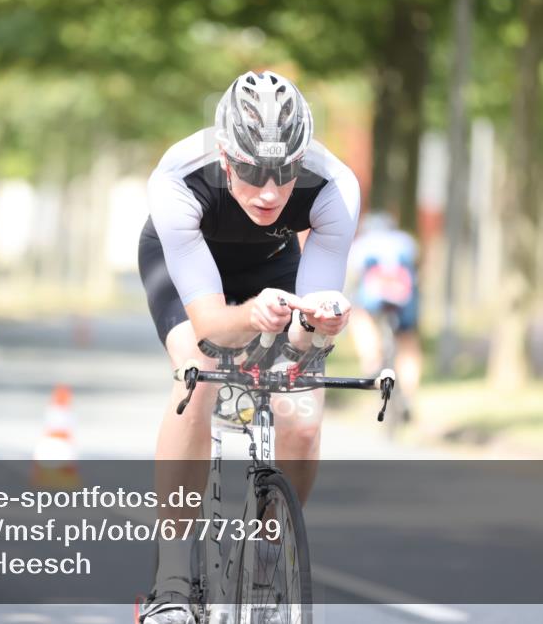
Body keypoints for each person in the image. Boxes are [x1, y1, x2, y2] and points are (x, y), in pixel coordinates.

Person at [136, 70, 361, 624]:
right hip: (186, 268)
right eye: (253, 171)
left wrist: (318, 325)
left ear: (302, 160)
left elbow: (306, 335)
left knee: (302, 414)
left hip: (273, 266)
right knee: (198, 372)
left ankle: (270, 555)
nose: (269, 191)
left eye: (284, 174)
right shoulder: (178, 178)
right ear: (224, 155)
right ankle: (171, 580)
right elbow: (212, 325)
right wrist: (251, 314)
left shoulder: (334, 185)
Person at [346, 212, 422, 420]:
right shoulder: (406, 241)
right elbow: (416, 267)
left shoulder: (361, 244)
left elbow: (354, 273)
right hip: (405, 298)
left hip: (374, 297)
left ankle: (372, 361)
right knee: (407, 342)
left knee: (358, 315)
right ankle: (408, 396)